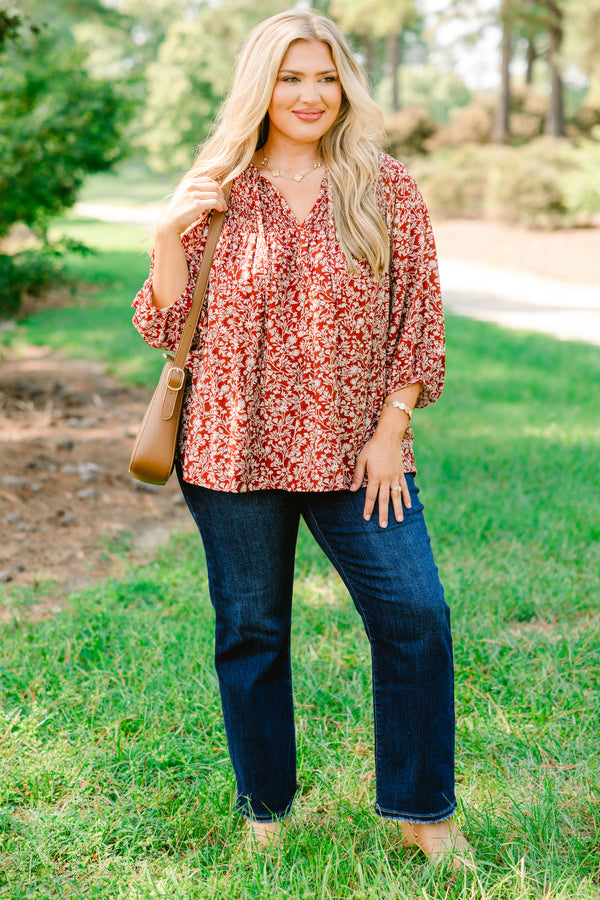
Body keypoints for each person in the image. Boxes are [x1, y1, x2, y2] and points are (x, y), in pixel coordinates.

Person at [133, 8, 471, 869]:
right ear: (261, 86)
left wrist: (392, 430)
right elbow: (166, 322)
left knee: (416, 613)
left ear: (346, 84)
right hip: (232, 446)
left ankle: (423, 812)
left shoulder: (383, 184)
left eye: (326, 76)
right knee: (251, 628)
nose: (311, 95)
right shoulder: (221, 182)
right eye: (291, 77)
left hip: (358, 450)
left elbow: (417, 320)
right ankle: (265, 812)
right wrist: (169, 232)